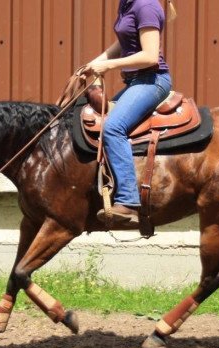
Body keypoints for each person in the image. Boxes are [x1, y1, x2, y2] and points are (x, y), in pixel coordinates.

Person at [82, 0, 173, 227]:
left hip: (152, 81)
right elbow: (123, 43)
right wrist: (92, 64)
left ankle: (129, 201)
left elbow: (150, 56)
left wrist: (109, 66)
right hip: (135, 82)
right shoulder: (127, 4)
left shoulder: (146, 6)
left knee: (113, 127)